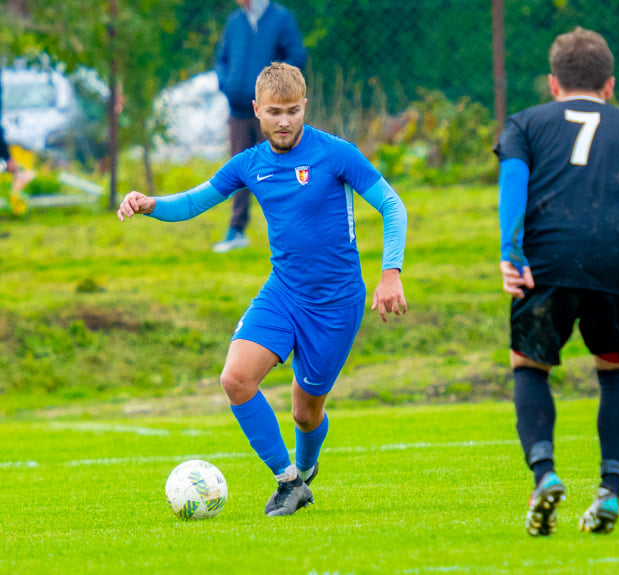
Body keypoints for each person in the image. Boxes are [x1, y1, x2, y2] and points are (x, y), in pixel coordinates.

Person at [117, 63, 408, 516]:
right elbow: (196, 201)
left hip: (336, 303)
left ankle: (305, 471)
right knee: (235, 378)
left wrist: (390, 272)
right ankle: (287, 480)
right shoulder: (249, 164)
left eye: (293, 111)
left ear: (304, 106)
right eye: (275, 112)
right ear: (257, 110)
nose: (285, 121)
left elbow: (392, 205)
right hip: (284, 291)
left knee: (304, 413)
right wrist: (151, 204)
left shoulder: (336, 154)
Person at [494, 27, 619, 537]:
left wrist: (510, 250)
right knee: (615, 371)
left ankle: (544, 475)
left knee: (530, 365)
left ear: (552, 83)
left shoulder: (525, 123)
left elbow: (513, 182)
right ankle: (609, 491)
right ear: (609, 85)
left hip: (547, 261)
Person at [213, 0, 307, 253]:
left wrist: (276, 94)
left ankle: (293, 231)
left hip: (272, 112)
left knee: (283, 167)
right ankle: (236, 230)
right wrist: (227, 84)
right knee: (239, 169)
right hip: (239, 110)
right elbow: (220, 59)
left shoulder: (281, 18)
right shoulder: (235, 21)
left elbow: (296, 56)